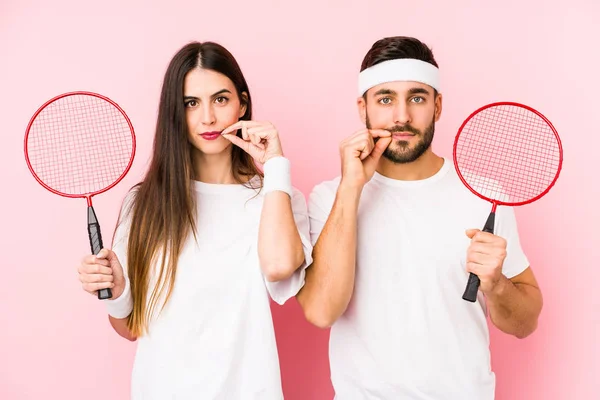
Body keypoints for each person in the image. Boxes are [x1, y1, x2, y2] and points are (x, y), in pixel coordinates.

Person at [297, 36, 543, 399]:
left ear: (437, 106)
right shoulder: (329, 198)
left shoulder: (484, 197)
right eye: (385, 99)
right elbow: (321, 312)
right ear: (362, 107)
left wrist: (496, 285)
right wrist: (352, 188)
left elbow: (524, 323)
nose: (401, 116)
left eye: (416, 98)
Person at [76, 41, 312, 399]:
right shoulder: (145, 203)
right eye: (191, 103)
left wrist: (276, 165)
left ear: (242, 104)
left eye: (220, 99)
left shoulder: (278, 197)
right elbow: (129, 327)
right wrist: (118, 291)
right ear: (176, 112)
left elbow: (279, 266)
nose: (208, 118)